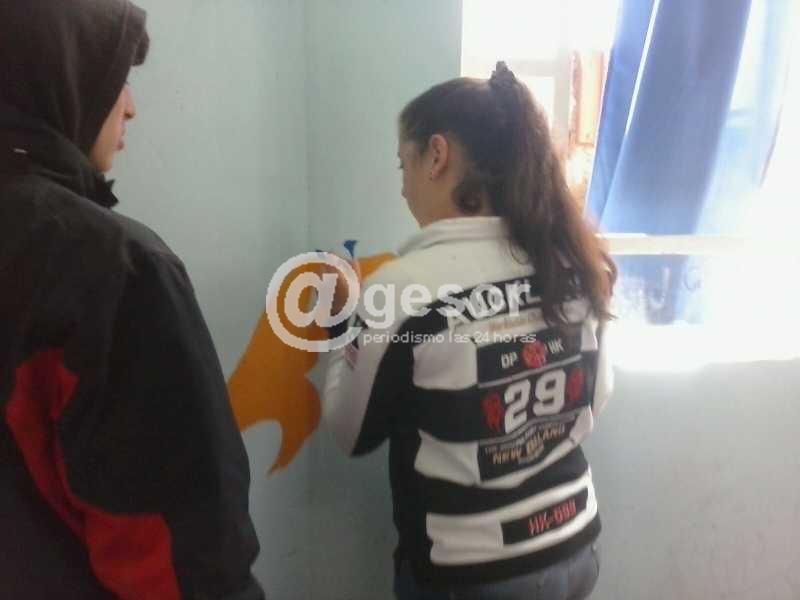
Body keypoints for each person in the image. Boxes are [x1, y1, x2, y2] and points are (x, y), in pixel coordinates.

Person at [0, 1, 264, 598]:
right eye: (117, 79)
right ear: (58, 78)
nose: (131, 107)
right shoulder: (112, 270)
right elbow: (184, 559)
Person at [324, 62, 616, 599]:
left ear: (437, 156)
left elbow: (350, 434)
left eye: (405, 164)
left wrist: (345, 322)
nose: (404, 187)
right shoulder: (570, 266)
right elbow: (594, 399)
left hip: (470, 574)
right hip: (573, 549)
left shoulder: (402, 289)